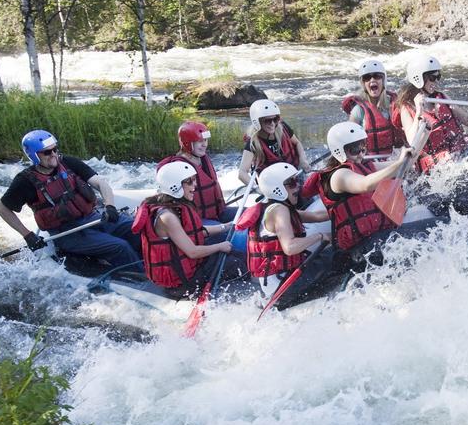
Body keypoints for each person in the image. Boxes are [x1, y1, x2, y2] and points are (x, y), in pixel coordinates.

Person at [0, 130, 140, 267]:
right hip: (67, 233)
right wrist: (27, 235)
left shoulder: (68, 162)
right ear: (34, 155)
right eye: (47, 152)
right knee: (120, 247)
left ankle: (153, 266)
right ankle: (142, 278)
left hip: (94, 217)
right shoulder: (25, 181)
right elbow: (3, 209)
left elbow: (100, 183)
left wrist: (110, 206)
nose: (53, 154)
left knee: (137, 228)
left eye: (55, 149)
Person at [394, 53, 468, 216]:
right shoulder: (406, 108)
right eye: (431, 77)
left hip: (461, 156)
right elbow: (412, 140)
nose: (436, 81)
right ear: (418, 78)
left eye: (438, 76)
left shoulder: (442, 98)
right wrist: (419, 111)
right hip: (437, 172)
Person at [132, 162, 246, 298]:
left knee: (233, 254)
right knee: (238, 263)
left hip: (188, 269)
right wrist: (220, 247)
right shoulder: (168, 217)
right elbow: (192, 252)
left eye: (194, 180)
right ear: (174, 186)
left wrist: (225, 226)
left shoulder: (170, 205)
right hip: (181, 283)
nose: (194, 185)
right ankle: (243, 298)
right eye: (189, 182)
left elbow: (196, 232)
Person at [316, 122, 420, 262]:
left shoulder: (363, 167)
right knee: (435, 227)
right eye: (354, 150)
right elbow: (366, 184)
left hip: (378, 238)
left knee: (437, 212)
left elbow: (407, 164)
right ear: (338, 150)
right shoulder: (339, 176)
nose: (360, 154)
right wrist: (398, 163)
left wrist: (424, 130)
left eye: (363, 148)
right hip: (362, 249)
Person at [235, 162, 330, 298]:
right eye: (291, 183)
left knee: (328, 255)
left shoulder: (276, 207)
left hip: (278, 281)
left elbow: (316, 216)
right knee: (338, 256)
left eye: (297, 180)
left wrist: (341, 207)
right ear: (277, 188)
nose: (297, 186)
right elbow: (290, 247)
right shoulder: (279, 211)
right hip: (282, 285)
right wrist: (320, 236)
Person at [158, 120, 234, 224]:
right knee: (231, 231)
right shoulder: (178, 167)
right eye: (200, 141)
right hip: (196, 220)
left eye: (205, 140)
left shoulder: (203, 158)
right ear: (187, 143)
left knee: (252, 214)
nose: (204, 145)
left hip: (218, 213)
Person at [341, 59, 405, 158]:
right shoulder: (358, 110)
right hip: (370, 161)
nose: (372, 80)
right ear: (363, 84)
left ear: (383, 80)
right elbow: (348, 141)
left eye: (377, 76)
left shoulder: (395, 104)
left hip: (395, 157)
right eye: (367, 78)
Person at [238, 99, 311, 186]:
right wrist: (257, 188)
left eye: (275, 119)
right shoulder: (253, 142)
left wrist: (303, 160)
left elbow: (297, 143)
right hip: (273, 184)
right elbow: (242, 173)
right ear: (257, 121)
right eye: (267, 120)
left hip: (294, 174)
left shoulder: (283, 128)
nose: (272, 124)